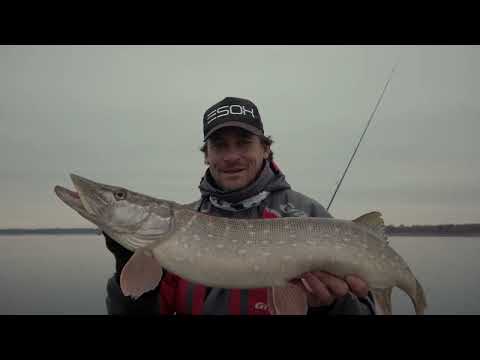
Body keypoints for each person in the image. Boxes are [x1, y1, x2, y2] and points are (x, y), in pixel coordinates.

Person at [103, 97, 377, 315]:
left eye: (244, 143)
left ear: (265, 148)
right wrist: (126, 270)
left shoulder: (308, 214)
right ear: (206, 155)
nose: (231, 156)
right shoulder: (177, 226)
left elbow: (365, 309)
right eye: (219, 145)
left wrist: (330, 308)